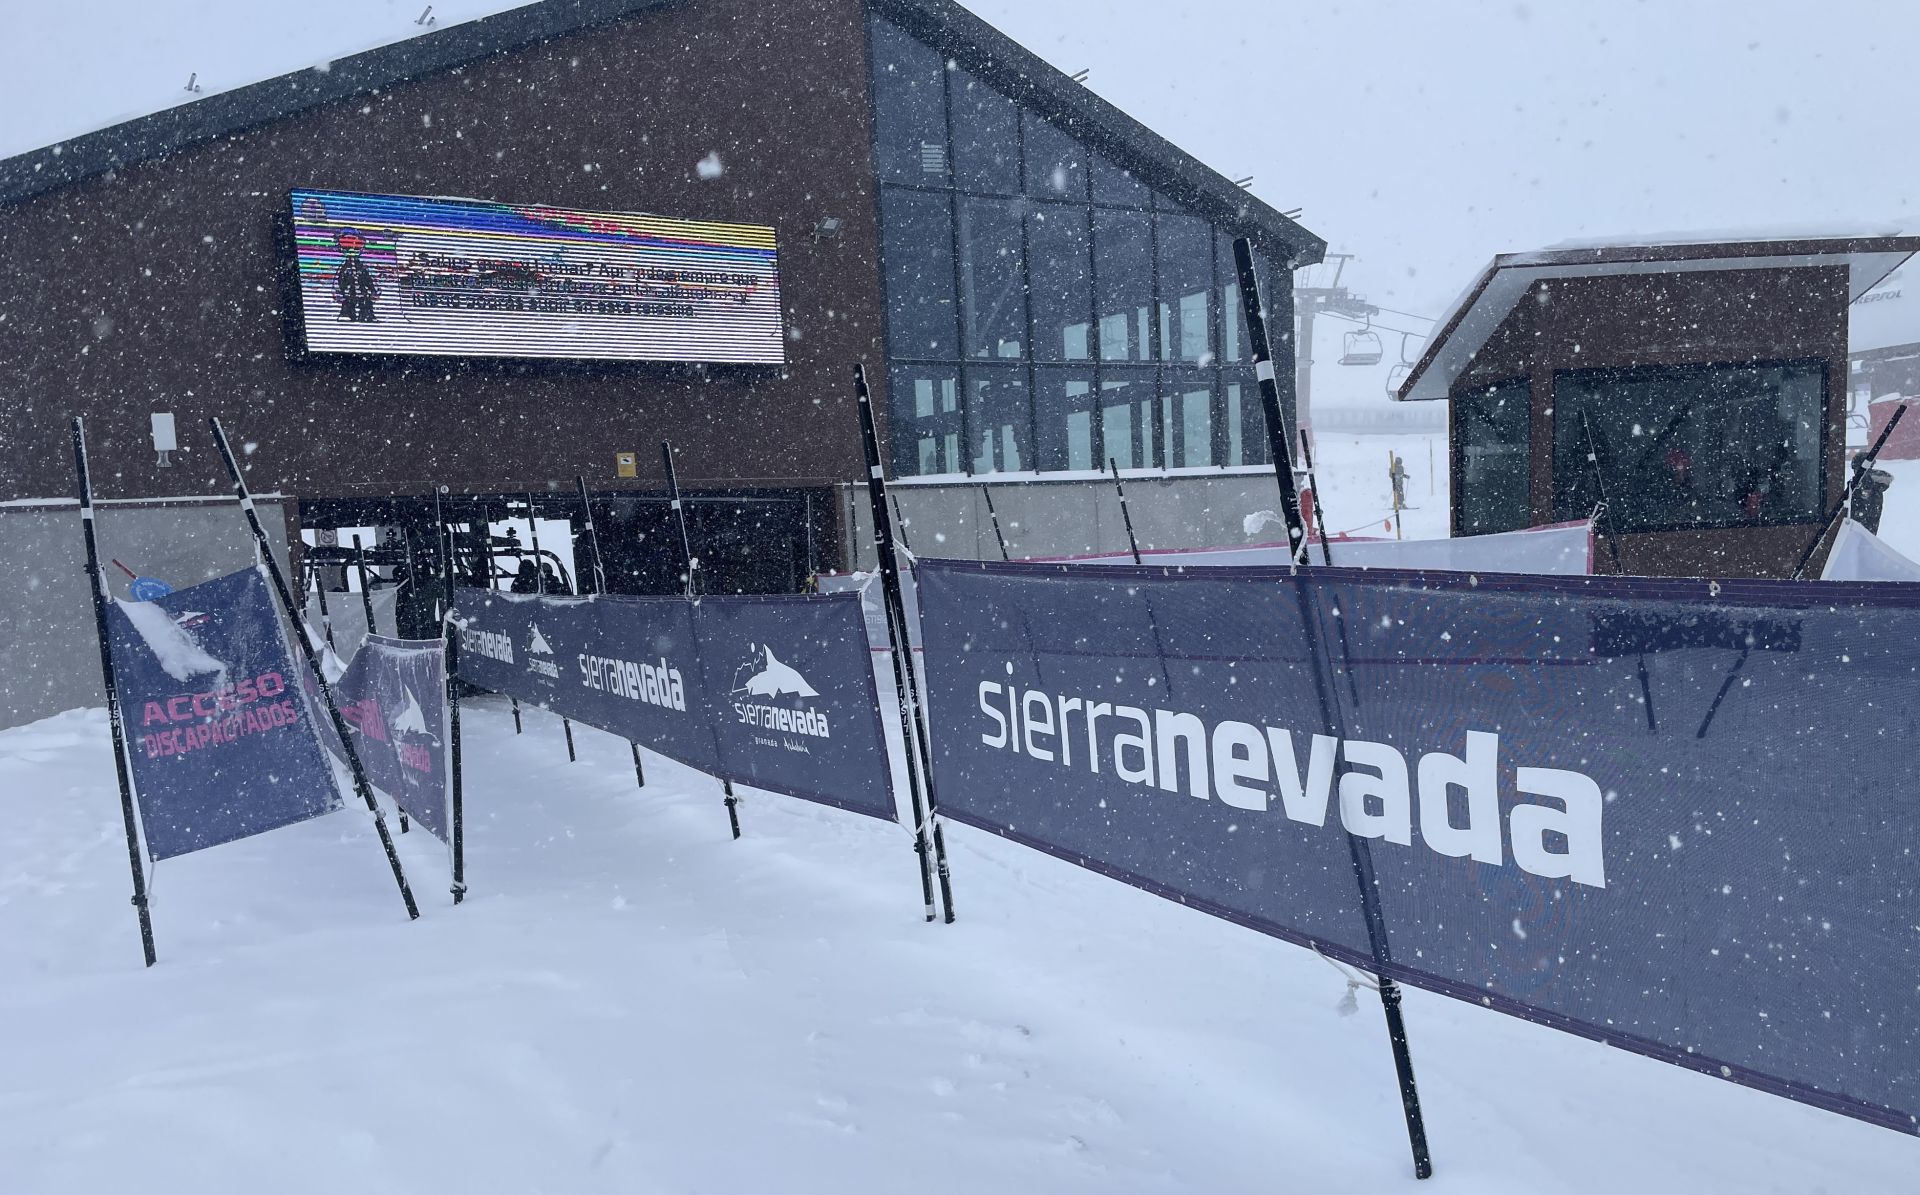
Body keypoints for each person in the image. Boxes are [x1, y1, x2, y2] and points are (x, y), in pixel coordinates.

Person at [333, 230, 379, 322]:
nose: (352, 251)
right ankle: (347, 314)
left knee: (366, 301)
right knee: (348, 301)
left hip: (362, 290)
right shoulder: (345, 267)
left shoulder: (362, 267)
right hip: (350, 290)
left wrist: (372, 289)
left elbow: (368, 278)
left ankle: (367, 314)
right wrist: (341, 289)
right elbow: (340, 278)